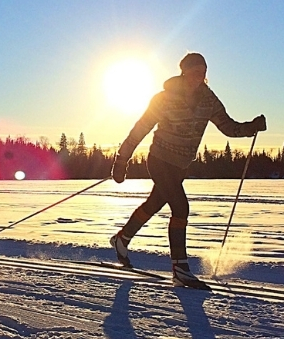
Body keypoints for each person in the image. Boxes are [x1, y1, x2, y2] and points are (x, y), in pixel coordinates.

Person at [109, 52, 266, 290]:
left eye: (203, 72)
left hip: (180, 165)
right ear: (184, 72)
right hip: (160, 160)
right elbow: (139, 129)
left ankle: (122, 239)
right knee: (181, 206)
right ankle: (180, 268)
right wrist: (121, 161)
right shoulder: (164, 98)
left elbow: (227, 126)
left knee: (154, 204)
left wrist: (250, 128)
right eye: (195, 72)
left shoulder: (208, 100)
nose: (199, 76)